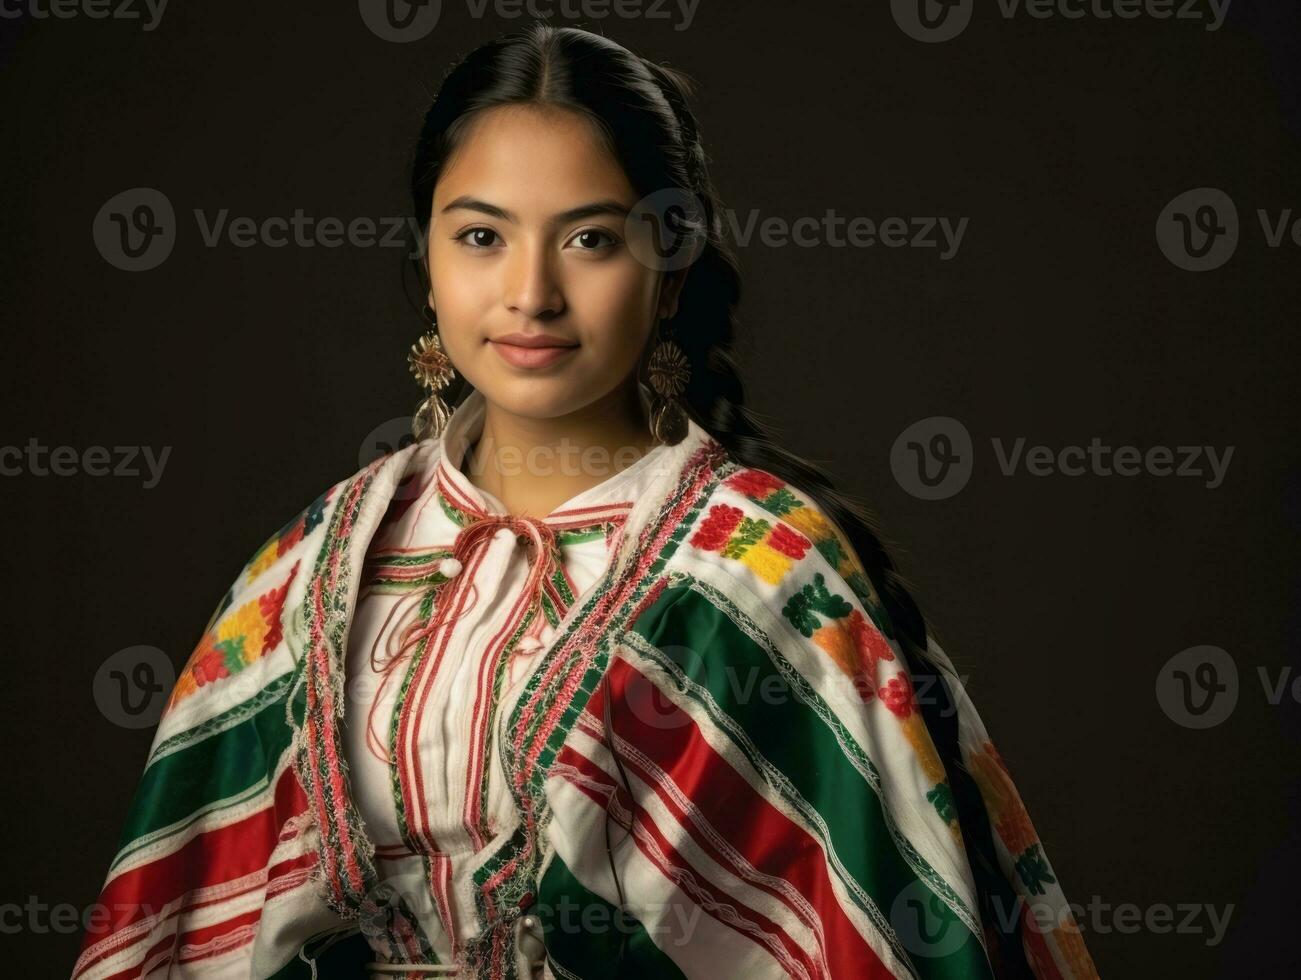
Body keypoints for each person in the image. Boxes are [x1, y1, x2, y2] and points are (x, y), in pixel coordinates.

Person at [73, 24, 1099, 980]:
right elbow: (179, 916)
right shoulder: (310, 571)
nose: (530, 292)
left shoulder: (760, 571)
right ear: (424, 262)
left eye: (591, 240)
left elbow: (875, 923)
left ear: (667, 268)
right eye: (480, 237)